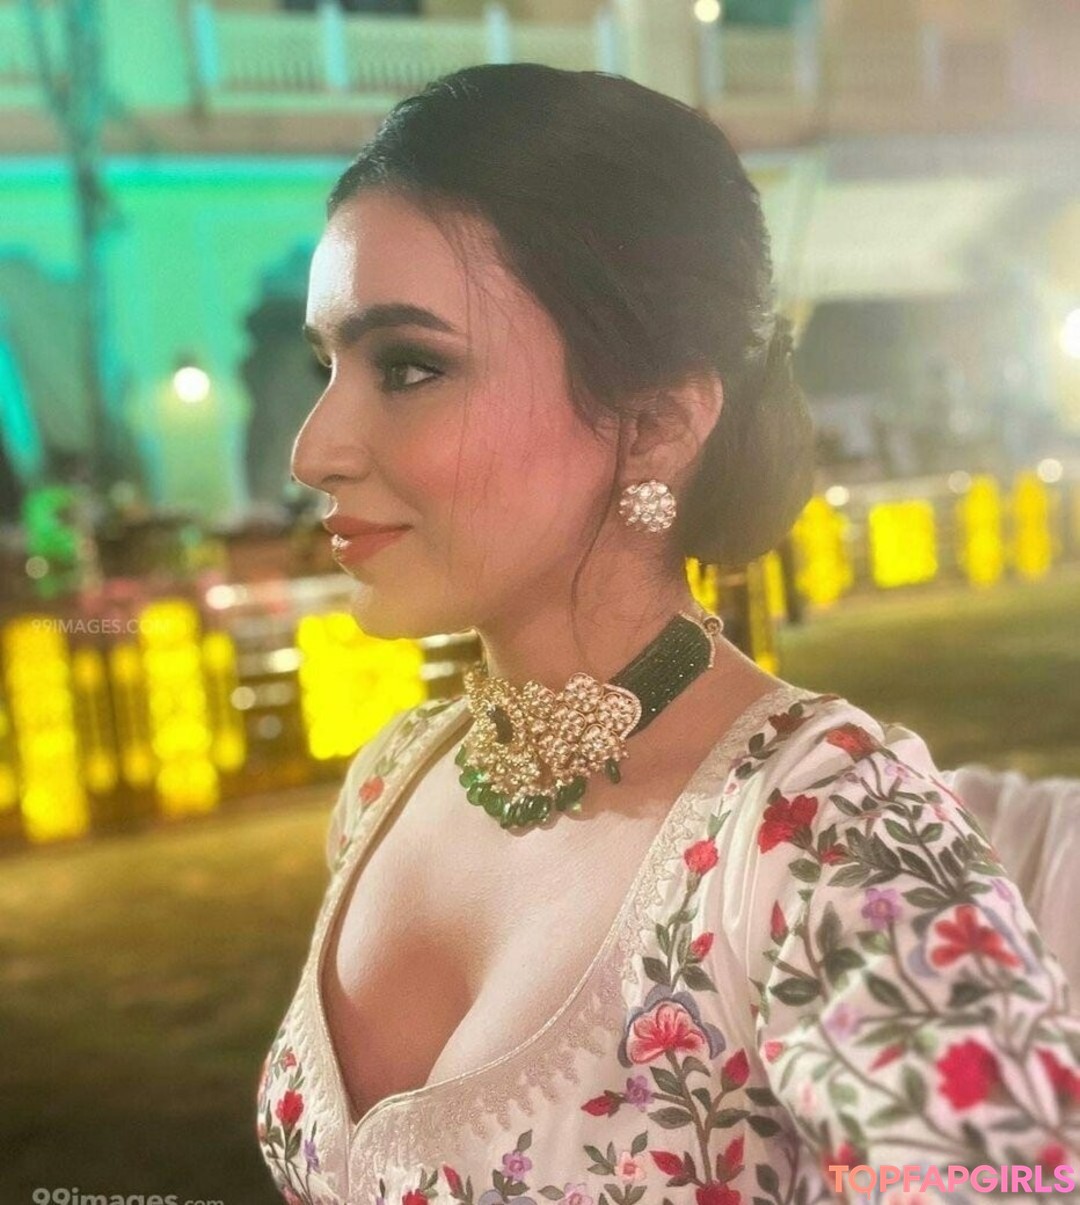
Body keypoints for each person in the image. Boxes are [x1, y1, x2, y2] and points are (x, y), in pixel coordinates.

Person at [257, 63, 1080, 1204]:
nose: (314, 450)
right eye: (327, 365)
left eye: (408, 367)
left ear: (654, 423)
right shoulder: (390, 782)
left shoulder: (821, 835)